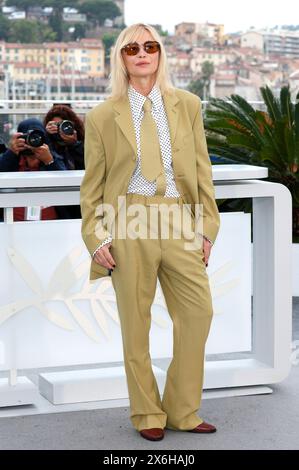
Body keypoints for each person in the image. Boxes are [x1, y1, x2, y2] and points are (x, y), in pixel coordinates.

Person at [80, 23, 220, 442]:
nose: (142, 53)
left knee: (198, 312)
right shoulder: (103, 116)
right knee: (135, 325)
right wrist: (96, 237)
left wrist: (207, 229)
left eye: (150, 46)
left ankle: (182, 409)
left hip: (178, 218)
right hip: (129, 220)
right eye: (132, 48)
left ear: (160, 54)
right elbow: (92, 185)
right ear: (121, 58)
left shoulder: (188, 105)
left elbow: (202, 171)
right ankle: (147, 413)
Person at [0, 118, 66, 221]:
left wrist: (49, 161)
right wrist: (11, 152)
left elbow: (66, 182)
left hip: (50, 222)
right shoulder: (12, 158)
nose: (32, 141)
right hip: (14, 222)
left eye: (37, 137)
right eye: (28, 136)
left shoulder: (52, 156)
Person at [44, 104, 85, 219]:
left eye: (64, 126)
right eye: (55, 126)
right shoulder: (48, 148)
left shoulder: (84, 144)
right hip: (58, 204)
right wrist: (46, 137)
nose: (60, 130)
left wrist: (74, 144)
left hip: (81, 199)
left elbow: (89, 165)